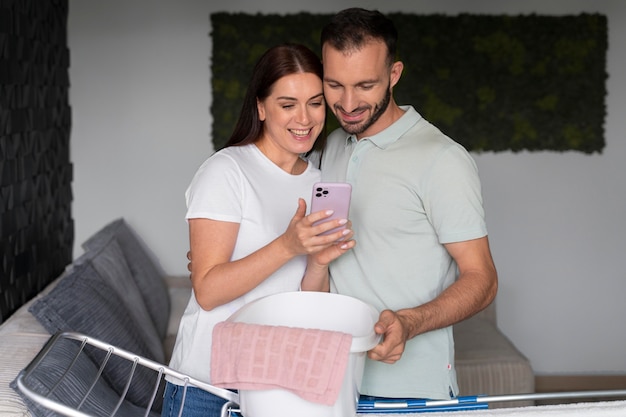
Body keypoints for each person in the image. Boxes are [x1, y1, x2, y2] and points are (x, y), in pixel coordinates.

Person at [315, 8, 498, 401]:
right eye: (334, 85)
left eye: (365, 85)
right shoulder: (332, 144)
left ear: (394, 75)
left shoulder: (442, 158)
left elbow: (482, 280)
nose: (348, 103)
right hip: (332, 384)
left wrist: (409, 322)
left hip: (411, 391)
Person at [163, 43, 355, 417]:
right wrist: (286, 246)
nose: (304, 117)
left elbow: (306, 302)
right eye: (287, 104)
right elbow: (208, 290)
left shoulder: (319, 182)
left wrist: (317, 261)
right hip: (209, 388)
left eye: (315, 103)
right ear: (261, 107)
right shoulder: (226, 171)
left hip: (278, 389)